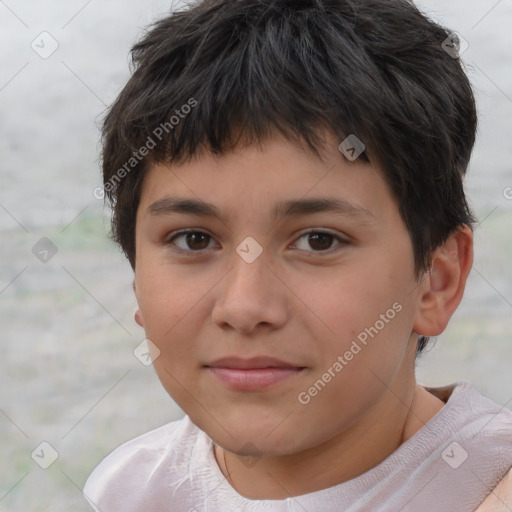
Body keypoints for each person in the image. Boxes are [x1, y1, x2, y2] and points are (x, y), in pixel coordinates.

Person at [83, 0, 512, 510]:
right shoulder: (130, 490)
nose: (244, 308)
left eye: (319, 241)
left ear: (437, 281)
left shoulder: (486, 485)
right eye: (193, 239)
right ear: (137, 277)